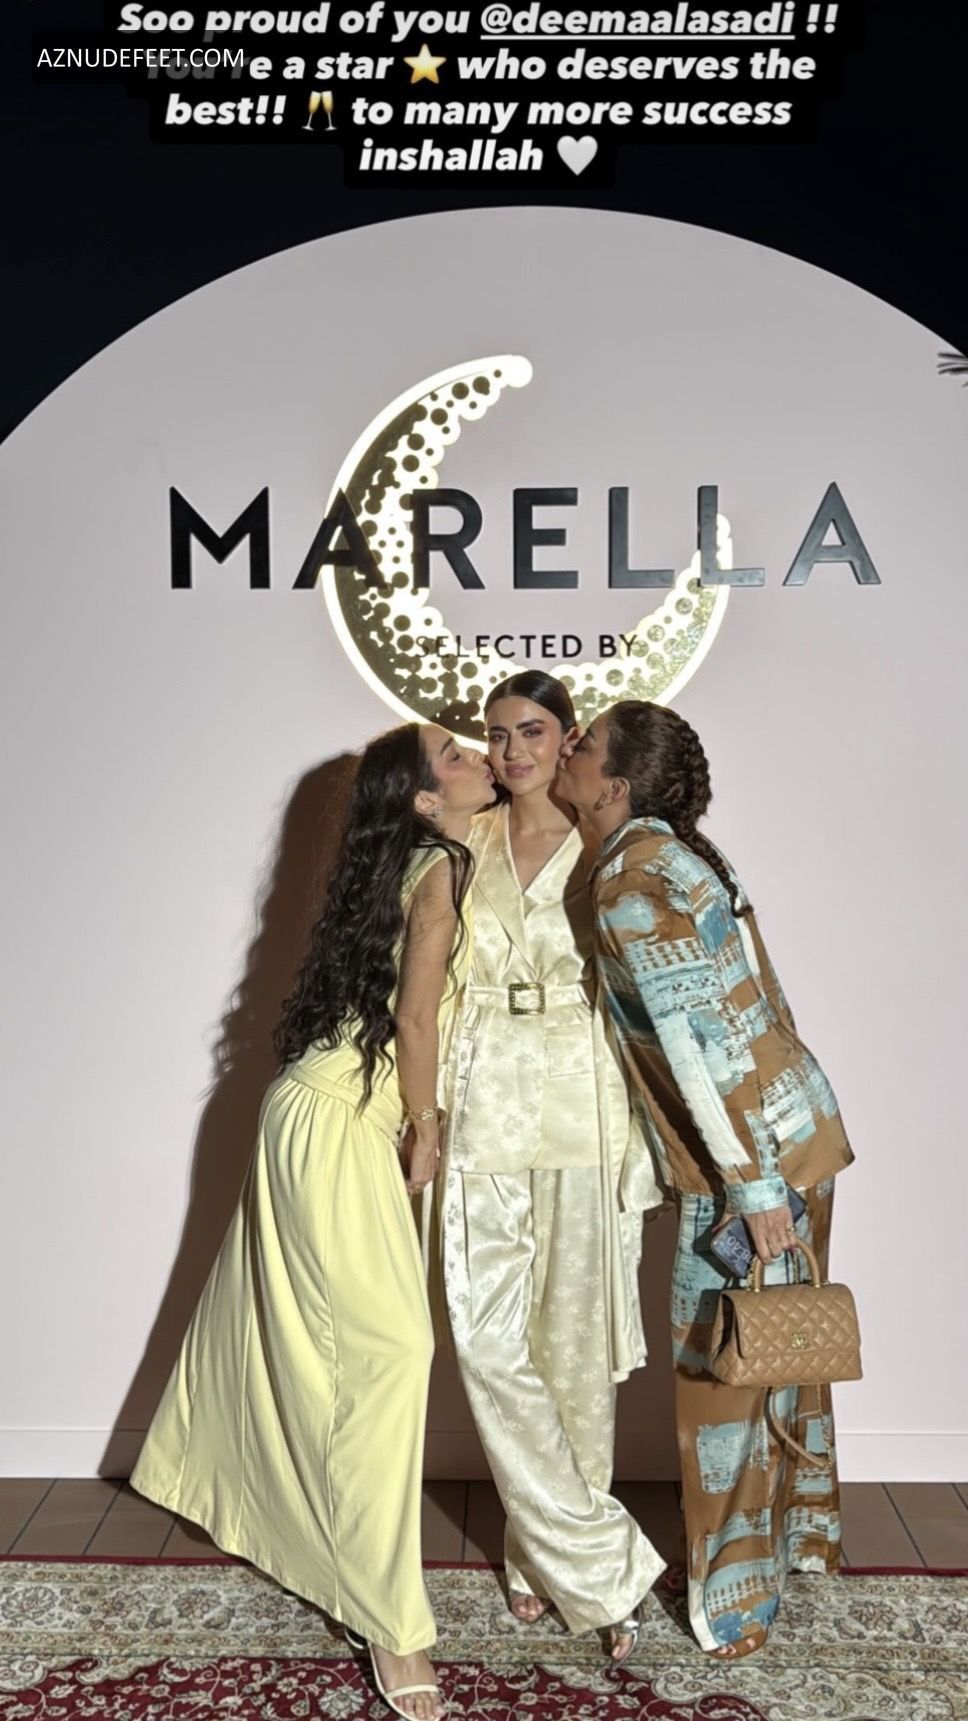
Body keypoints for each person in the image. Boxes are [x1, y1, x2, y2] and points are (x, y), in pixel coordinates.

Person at [131, 722, 495, 1721]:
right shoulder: (439, 868)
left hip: (319, 1114)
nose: (477, 757)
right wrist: (427, 1125)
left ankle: (293, 1523)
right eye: (456, 755)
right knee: (391, 1346)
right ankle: (391, 1621)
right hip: (333, 1122)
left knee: (342, 1346)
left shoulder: (428, 857)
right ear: (423, 798)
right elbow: (414, 1018)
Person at [557, 699, 854, 1659]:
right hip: (795, 1131)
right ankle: (802, 1542)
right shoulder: (677, 855)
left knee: (721, 1381)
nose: (567, 747)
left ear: (615, 784)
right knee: (776, 1354)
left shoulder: (633, 881)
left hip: (748, 1162)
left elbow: (698, 1044)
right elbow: (764, 999)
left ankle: (736, 1604)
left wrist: (751, 1186)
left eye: (583, 743)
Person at [434, 671, 666, 1663]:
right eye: (495, 734)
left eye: (531, 730)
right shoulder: (463, 838)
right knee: (488, 1340)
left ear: (568, 738)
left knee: (571, 1345)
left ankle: (541, 1558)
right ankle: (603, 1565)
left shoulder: (609, 841)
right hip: (482, 1090)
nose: (511, 750)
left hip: (584, 1097)